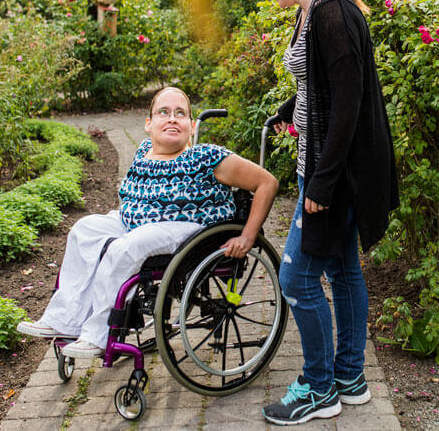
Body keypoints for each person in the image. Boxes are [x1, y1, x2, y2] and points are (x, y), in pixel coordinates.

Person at [251, 0, 399, 425]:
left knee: (296, 279)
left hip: (338, 175)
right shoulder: (311, 11)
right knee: (343, 269)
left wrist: (321, 183)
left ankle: (319, 389)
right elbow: (325, 87)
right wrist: (288, 109)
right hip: (330, 169)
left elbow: (349, 106)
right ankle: (351, 377)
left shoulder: (331, 10)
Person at [16, 86, 278, 358]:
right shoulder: (143, 151)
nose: (172, 119)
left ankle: (98, 334)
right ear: (149, 125)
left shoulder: (207, 157)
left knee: (125, 248)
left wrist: (248, 236)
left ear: (190, 126)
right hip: (137, 221)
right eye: (163, 112)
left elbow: (267, 183)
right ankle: (63, 320)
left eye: (181, 114)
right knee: (83, 230)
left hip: (186, 227)